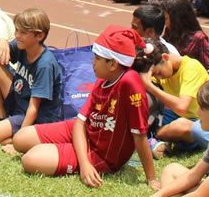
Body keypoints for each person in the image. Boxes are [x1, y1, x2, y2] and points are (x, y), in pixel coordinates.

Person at [10, 26, 160, 190]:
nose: (92, 62)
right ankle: (65, 149)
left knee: (30, 160)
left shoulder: (130, 84)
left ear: (112, 64)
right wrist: (84, 162)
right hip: (85, 132)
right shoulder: (103, 79)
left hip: (100, 154)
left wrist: (151, 178)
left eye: (97, 58)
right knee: (20, 139)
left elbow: (139, 135)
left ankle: (64, 151)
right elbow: (80, 122)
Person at [0, 8, 65, 145]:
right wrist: (0, 40)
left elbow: (34, 108)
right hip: (19, 100)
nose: (17, 35)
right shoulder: (21, 46)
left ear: (39, 36)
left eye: (23, 32)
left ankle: (22, 138)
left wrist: (19, 141)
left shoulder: (45, 65)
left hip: (32, 116)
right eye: (17, 30)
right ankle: (0, 117)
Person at [148, 45, 209, 155]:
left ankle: (155, 136)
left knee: (179, 126)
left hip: (201, 121)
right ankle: (158, 138)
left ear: (165, 57)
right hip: (175, 116)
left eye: (158, 72)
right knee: (145, 108)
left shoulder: (191, 67)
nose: (158, 77)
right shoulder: (164, 69)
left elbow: (181, 107)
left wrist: (150, 86)